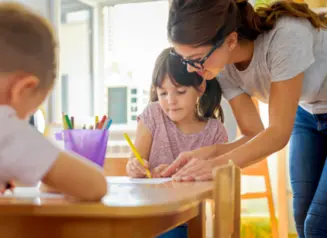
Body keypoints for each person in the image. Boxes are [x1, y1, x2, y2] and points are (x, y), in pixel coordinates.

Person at [160, 0, 327, 237]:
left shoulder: (286, 35)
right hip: (308, 112)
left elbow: (278, 133)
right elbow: (255, 133)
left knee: (319, 225)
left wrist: (216, 166)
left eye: (196, 58)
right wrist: (208, 154)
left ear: (230, 40)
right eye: (184, 59)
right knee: (301, 217)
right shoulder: (222, 67)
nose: (189, 69)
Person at [0, 3, 107, 201]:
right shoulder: (6, 130)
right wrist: (56, 177)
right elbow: (95, 185)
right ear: (23, 89)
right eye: (28, 113)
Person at [126, 48, 227, 238]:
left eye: (180, 91)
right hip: (147, 215)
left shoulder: (215, 132)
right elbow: (134, 164)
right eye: (163, 93)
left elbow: (217, 188)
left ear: (201, 88)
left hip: (187, 222)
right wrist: (135, 167)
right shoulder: (153, 114)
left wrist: (178, 175)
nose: (171, 101)